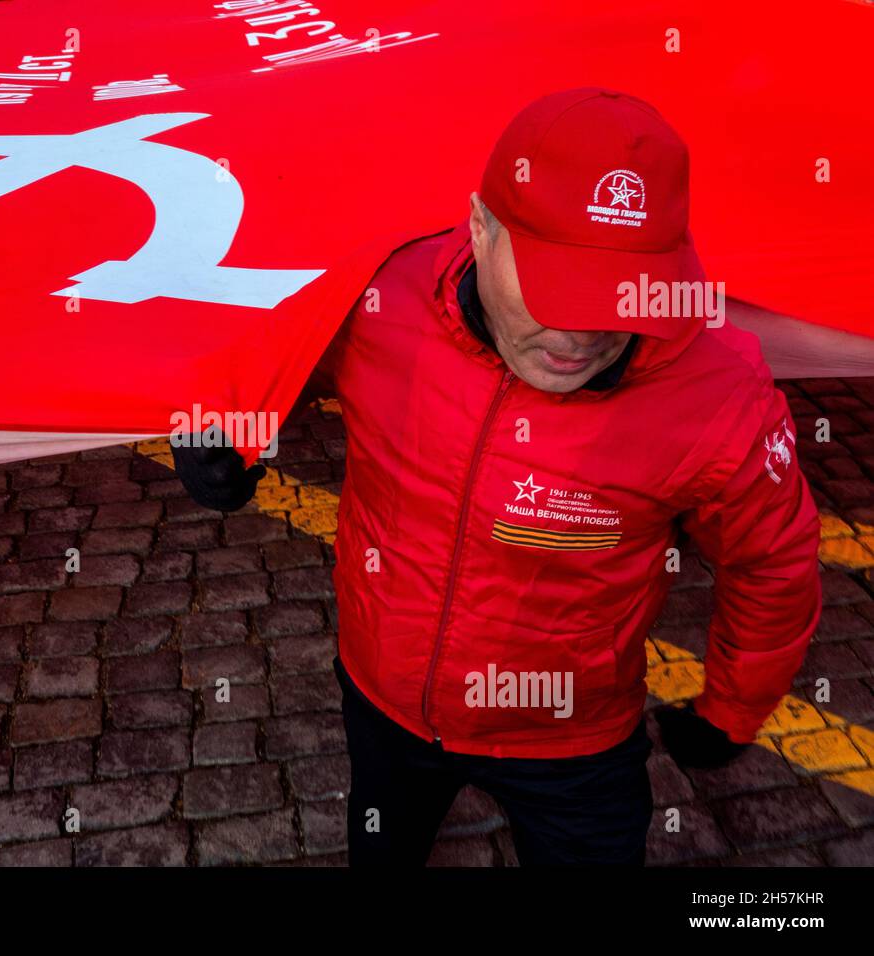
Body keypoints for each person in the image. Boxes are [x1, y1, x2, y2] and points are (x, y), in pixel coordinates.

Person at [172, 88, 822, 866]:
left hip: (572, 744)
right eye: (555, 289)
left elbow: (772, 567)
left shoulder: (722, 394)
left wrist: (734, 707)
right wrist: (222, 425)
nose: (582, 335)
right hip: (385, 709)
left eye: (618, 296)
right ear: (480, 229)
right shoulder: (385, 292)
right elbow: (273, 343)